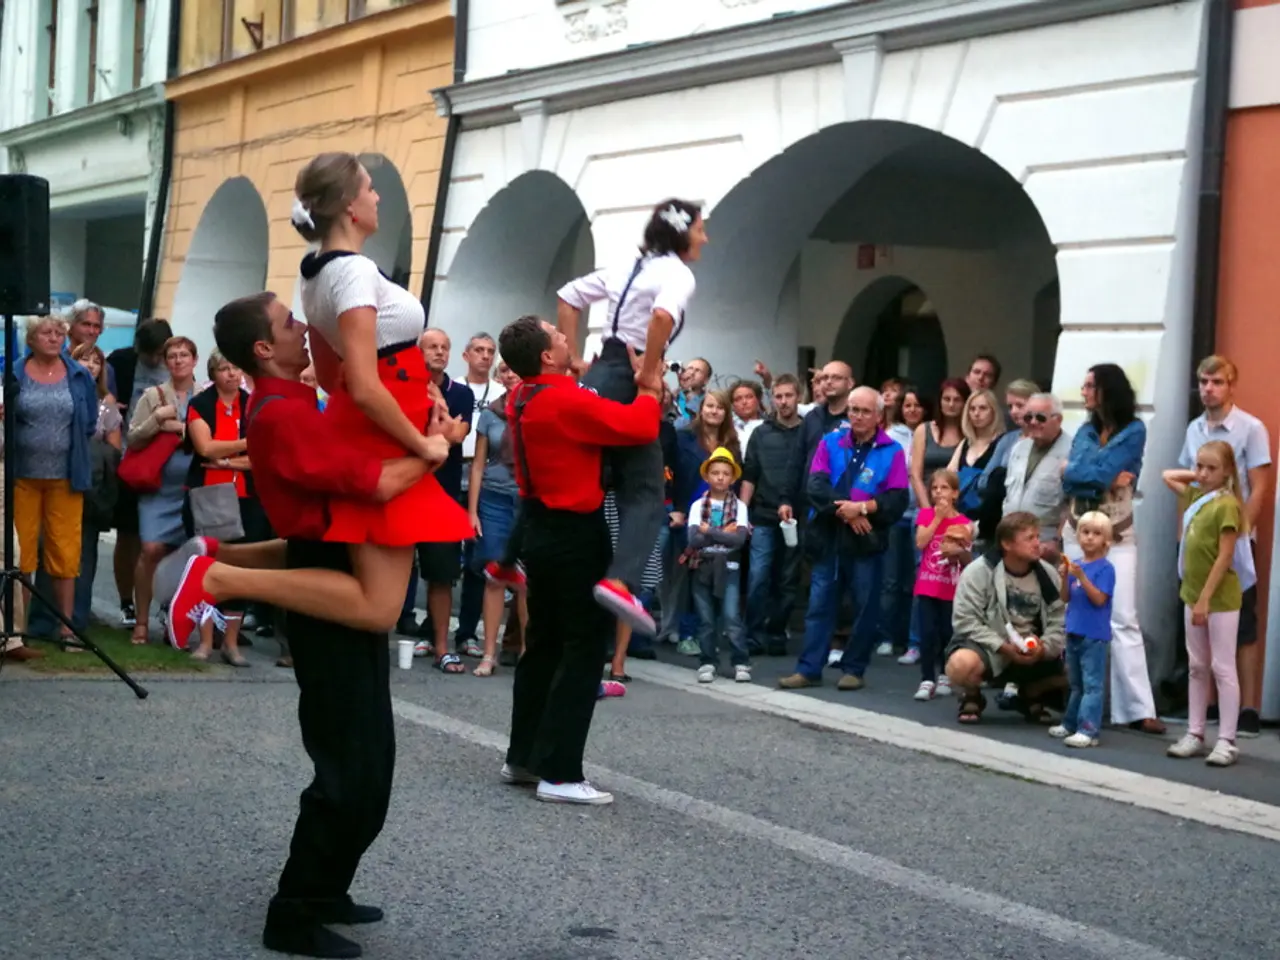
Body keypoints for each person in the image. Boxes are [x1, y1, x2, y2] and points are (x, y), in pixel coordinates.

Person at [181, 291, 431, 959]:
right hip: (327, 600)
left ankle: (326, 890)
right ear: (264, 349)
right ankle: (291, 913)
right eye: (290, 323)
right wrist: (436, 448)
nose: (303, 326)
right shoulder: (283, 412)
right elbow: (376, 483)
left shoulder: (289, 405)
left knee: (369, 763)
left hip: (328, 570)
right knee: (349, 771)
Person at [165, 152, 466, 652]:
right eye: (370, 188)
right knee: (379, 606)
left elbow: (332, 374)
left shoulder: (318, 270)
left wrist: (418, 400)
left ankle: (222, 561)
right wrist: (425, 442)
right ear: (350, 205)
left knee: (352, 575)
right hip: (388, 431)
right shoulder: (349, 272)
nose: (377, 196)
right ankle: (219, 577)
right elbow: (364, 385)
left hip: (385, 423)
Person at [497, 315, 660, 806]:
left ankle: (522, 756)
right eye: (560, 335)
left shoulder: (521, 394)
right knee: (584, 651)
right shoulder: (563, 399)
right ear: (547, 356)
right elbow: (638, 425)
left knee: (542, 646)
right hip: (574, 533)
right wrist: (650, 387)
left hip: (539, 529)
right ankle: (562, 773)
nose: (569, 337)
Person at [555, 198, 708, 633]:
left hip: (598, 371)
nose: (705, 236)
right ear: (683, 232)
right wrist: (649, 370)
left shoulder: (629, 267)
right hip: (627, 378)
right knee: (644, 492)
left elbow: (568, 297)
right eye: (700, 228)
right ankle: (621, 581)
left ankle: (513, 558)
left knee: (580, 471)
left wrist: (572, 361)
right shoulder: (678, 273)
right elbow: (661, 317)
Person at [779, 386, 909, 691]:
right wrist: (848, 511)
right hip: (829, 538)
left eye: (865, 411)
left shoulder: (892, 451)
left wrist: (863, 507)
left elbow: (897, 499)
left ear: (879, 416)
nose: (858, 416)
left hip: (867, 542)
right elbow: (816, 486)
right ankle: (809, 669)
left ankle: (854, 668)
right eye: (853, 410)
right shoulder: (830, 442)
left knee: (865, 608)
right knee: (819, 605)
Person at [1062, 363, 1164, 734]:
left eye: (1091, 385)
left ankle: (1137, 707)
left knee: (1122, 617)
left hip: (1117, 534)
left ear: (1108, 390)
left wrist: (1082, 475)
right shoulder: (1085, 430)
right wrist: (1093, 478)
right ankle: (1078, 699)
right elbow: (1078, 475)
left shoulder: (1134, 430)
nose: (1085, 390)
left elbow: (1088, 471)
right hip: (1077, 531)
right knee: (1073, 610)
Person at [1177, 355, 1272, 738]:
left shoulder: (1250, 428)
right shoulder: (1194, 429)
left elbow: (1259, 485)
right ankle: (1207, 709)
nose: (1208, 389)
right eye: (1203, 381)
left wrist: (1238, 531)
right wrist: (1184, 534)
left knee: (1241, 624)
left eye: (1216, 382)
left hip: (1235, 536)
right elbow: (1187, 482)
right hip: (1198, 537)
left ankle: (1247, 707)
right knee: (1202, 626)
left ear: (1231, 385)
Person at [1162, 441, 1251, 767]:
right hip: (1194, 594)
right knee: (1197, 666)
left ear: (1228, 471)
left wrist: (1205, 599)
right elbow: (1168, 476)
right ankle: (1195, 732)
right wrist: (1199, 473)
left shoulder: (1227, 505)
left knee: (1222, 667)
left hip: (1219, 599)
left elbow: (1225, 555)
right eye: (1200, 466)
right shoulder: (1198, 497)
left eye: (1211, 468)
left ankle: (1227, 739)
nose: (1202, 473)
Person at [11, 316, 97, 648]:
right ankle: (18, 631)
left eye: (59, 333)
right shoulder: (15, 374)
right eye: (47, 333)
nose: (55, 338)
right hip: (22, 477)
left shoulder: (78, 375)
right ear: (31, 339)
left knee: (65, 552)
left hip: (66, 476)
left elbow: (88, 423)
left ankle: (67, 629)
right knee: (23, 555)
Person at [26, 343, 122, 640]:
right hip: (49, 479)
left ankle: (74, 622)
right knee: (43, 550)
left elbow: (114, 451)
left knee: (80, 555)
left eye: (96, 361)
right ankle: (40, 621)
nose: (90, 365)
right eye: (84, 359)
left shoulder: (107, 404)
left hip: (89, 485)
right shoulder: (58, 394)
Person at [945, 511, 1068, 725]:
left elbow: (1060, 619)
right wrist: (1002, 646)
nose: (1038, 544)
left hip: (1033, 649)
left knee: (1080, 666)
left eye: (1038, 537)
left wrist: (1044, 647)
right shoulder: (979, 571)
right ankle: (971, 695)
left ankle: (1031, 692)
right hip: (990, 648)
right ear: (1007, 544)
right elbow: (965, 620)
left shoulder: (1048, 574)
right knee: (960, 664)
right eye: (1030, 538)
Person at [404, 328, 473, 671]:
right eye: (432, 346)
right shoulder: (404, 389)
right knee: (394, 568)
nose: (440, 352)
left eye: (445, 347)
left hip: (443, 494)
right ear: (419, 352)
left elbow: (457, 434)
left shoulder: (461, 393)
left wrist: (440, 415)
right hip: (405, 488)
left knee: (442, 574)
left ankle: (442, 647)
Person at [126, 336, 199, 645]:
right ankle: (141, 620)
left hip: (194, 487)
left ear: (194, 360)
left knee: (188, 553)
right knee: (151, 549)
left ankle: (174, 617)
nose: (178, 360)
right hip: (157, 487)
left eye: (184, 355)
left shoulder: (207, 393)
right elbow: (133, 438)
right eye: (172, 356)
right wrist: (157, 420)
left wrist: (182, 429)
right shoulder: (153, 395)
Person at [108, 317, 173, 629]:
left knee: (162, 540)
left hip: (165, 465)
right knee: (129, 536)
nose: (157, 360)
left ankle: (162, 601)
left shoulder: (176, 364)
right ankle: (126, 601)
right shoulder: (122, 362)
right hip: (129, 461)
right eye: (152, 355)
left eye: (162, 353)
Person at [740, 373, 804, 656]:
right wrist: (742, 515)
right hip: (763, 516)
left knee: (788, 581)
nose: (783, 401)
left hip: (797, 518)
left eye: (789, 395)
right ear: (772, 398)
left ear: (798, 397)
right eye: (778, 396)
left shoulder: (808, 432)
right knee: (758, 577)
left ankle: (777, 633)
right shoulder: (760, 433)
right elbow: (749, 475)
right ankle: (753, 634)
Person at [1051, 511, 1116, 748]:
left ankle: (1089, 730)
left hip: (1094, 634)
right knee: (1075, 683)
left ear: (1106, 541)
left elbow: (1099, 599)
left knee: (1092, 685)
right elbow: (1065, 597)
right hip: (1074, 629)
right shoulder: (1075, 564)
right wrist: (1064, 577)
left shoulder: (1105, 569)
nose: (1089, 538)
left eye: (1096, 534)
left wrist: (1082, 578)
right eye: (1085, 532)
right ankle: (1070, 723)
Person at [686, 447, 750, 683]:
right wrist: (725, 532)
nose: (720, 477)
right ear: (707, 476)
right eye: (715, 473)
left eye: (725, 473)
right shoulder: (697, 506)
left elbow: (739, 540)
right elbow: (693, 539)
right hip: (703, 565)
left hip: (730, 566)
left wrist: (709, 531)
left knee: (732, 616)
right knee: (706, 618)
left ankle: (740, 660)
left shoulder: (740, 507)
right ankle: (707, 661)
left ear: (733, 477)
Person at [912, 470, 972, 701]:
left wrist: (959, 552)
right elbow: (920, 542)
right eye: (935, 488)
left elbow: (968, 558)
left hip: (950, 586)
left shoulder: (964, 523)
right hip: (927, 585)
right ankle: (927, 678)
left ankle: (946, 673)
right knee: (927, 632)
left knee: (947, 632)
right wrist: (938, 517)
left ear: (955, 493)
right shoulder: (926, 515)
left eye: (944, 488)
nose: (938, 492)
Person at [1001, 393, 1072, 548]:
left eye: (1040, 418)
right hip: (1012, 539)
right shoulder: (1019, 448)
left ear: (1058, 420)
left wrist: (1057, 541)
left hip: (1045, 542)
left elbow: (1072, 504)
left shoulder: (1072, 452)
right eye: (1028, 417)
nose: (1033, 422)